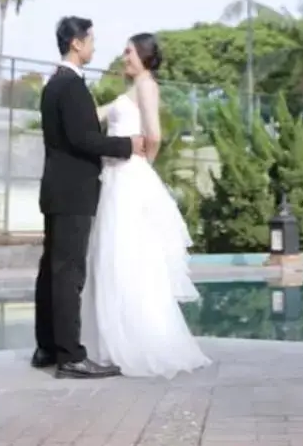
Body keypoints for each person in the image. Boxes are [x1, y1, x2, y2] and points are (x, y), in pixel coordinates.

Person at [82, 32, 211, 379]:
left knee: (126, 254)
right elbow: (95, 115)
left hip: (128, 178)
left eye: (128, 52)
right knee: (112, 255)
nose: (123, 57)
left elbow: (154, 134)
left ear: (142, 55)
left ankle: (136, 341)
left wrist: (143, 167)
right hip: (114, 180)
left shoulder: (146, 86)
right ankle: (113, 340)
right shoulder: (130, 90)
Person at [35, 17, 144, 380]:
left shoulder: (53, 84)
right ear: (77, 44)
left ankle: (47, 346)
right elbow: (83, 139)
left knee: (51, 269)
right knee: (69, 273)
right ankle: (71, 355)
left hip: (55, 190)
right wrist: (128, 145)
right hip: (73, 192)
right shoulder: (71, 87)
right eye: (91, 40)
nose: (95, 46)